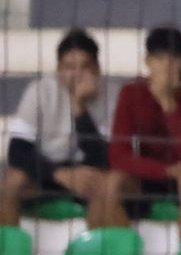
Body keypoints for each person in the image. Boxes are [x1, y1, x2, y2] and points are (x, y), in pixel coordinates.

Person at [104, 26, 181, 239]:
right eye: (159, 59)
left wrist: (167, 103)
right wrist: (165, 171)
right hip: (155, 171)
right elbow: (117, 155)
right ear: (147, 61)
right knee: (112, 183)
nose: (166, 67)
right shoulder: (131, 92)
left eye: (174, 60)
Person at [1, 29, 116, 226]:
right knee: (12, 181)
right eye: (69, 67)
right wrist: (58, 174)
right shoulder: (39, 91)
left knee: (108, 184)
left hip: (88, 174)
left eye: (85, 66)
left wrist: (79, 107)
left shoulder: (112, 96)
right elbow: (17, 150)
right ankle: (7, 251)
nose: (77, 74)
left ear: (97, 68)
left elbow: (104, 157)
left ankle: (94, 253)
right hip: (45, 171)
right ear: (59, 69)